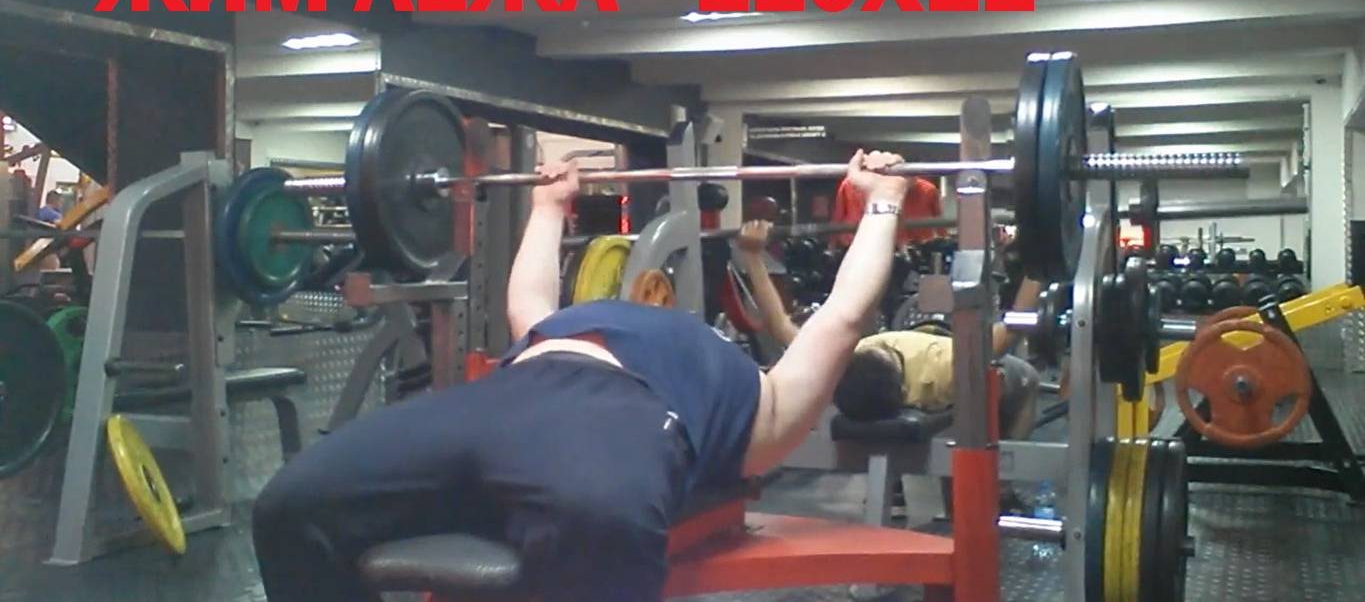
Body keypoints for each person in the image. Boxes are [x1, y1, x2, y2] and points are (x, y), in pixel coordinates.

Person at [252, 150, 916, 602]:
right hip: (503, 394)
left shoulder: (763, 402)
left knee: (599, 518)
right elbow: (527, 303)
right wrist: (549, 207)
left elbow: (841, 316)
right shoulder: (558, 325)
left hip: (619, 411)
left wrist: (884, 204)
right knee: (292, 506)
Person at [735, 219, 1042, 441]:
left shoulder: (836, 369)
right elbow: (1015, 323)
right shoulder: (948, 366)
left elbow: (779, 325)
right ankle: (1006, 482)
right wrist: (1042, 261)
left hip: (919, 329)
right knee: (1027, 377)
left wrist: (751, 255)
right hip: (949, 341)